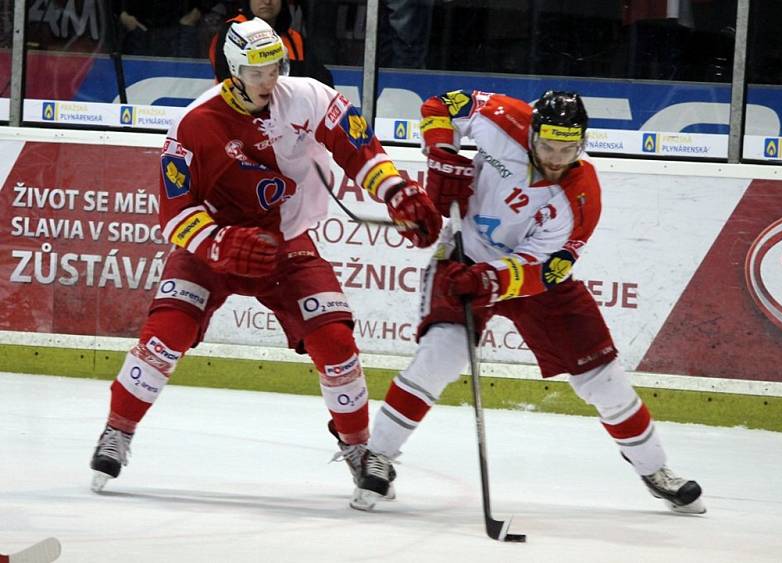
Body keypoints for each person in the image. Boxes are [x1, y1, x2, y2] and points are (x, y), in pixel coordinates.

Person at [89, 17, 441, 493]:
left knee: (336, 343)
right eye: (256, 72)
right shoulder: (193, 125)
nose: (268, 80)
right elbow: (174, 215)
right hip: (213, 248)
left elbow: (360, 149)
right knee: (164, 336)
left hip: (287, 245)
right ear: (233, 71)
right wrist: (221, 244)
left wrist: (397, 190)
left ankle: (357, 446)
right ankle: (118, 429)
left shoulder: (310, 97)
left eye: (274, 67)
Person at [350, 90, 706, 515]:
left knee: (602, 379)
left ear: (583, 144)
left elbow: (543, 270)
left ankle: (656, 470)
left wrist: (489, 279)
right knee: (439, 356)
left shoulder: (581, 197)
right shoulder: (502, 117)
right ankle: (379, 458)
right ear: (533, 133)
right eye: (548, 146)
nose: (556, 158)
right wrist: (442, 150)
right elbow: (439, 105)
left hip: (530, 282)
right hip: (466, 253)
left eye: (568, 149)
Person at [208, 0, 333, 86]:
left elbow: (322, 83)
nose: (267, 1)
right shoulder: (232, 32)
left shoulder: (295, 40)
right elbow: (225, 79)